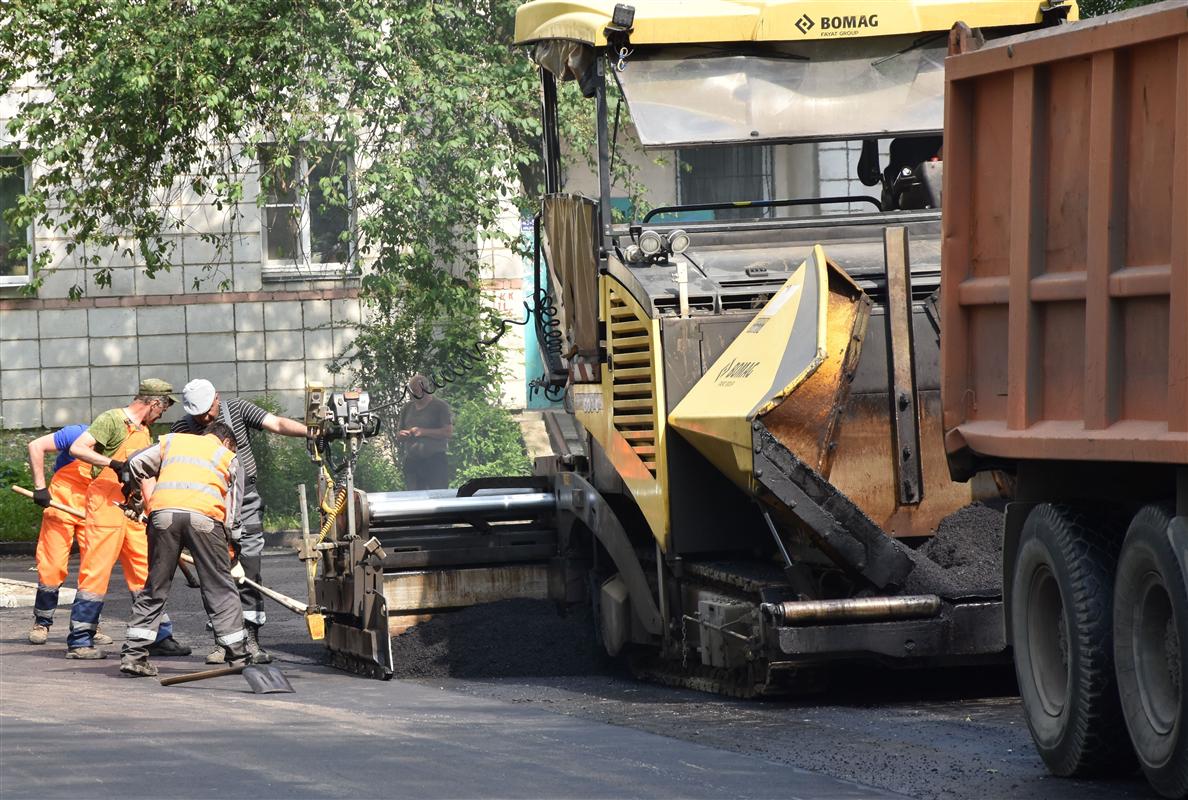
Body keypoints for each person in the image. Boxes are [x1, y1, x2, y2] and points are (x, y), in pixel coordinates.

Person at [171, 378, 310, 663]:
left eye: (208, 412)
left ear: (217, 399)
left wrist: (313, 433)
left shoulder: (237, 410)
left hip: (245, 501)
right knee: (216, 573)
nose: (204, 419)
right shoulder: (182, 428)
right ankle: (223, 642)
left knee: (248, 568)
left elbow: (278, 424)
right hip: (208, 504)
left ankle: (251, 639)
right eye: (197, 414)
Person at [119, 422, 255, 677]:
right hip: (205, 519)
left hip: (162, 517)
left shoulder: (173, 441)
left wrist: (134, 497)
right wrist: (232, 545)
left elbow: (134, 464)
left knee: (155, 587)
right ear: (226, 442)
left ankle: (134, 655)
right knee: (219, 587)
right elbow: (233, 510)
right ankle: (238, 655)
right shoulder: (229, 456)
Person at [65, 379, 189, 660]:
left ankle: (158, 636)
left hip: (132, 510)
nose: (164, 413)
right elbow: (78, 448)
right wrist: (114, 463)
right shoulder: (112, 419)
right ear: (154, 402)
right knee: (96, 572)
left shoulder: (144, 431)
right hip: (106, 505)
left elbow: (145, 477)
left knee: (145, 573)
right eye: (165, 407)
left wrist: (153, 508)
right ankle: (80, 639)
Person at [25, 424, 113, 645]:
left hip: (95, 505)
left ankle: (89, 626)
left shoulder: (121, 444)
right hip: (61, 501)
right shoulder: (77, 433)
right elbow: (36, 445)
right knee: (52, 565)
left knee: (95, 568)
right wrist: (40, 488)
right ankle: (42, 622)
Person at [397, 374, 453, 491]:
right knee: (414, 496)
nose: (413, 394)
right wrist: (402, 435)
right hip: (413, 461)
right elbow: (399, 433)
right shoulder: (407, 408)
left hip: (435, 461)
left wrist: (423, 432)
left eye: (416, 391)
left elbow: (448, 432)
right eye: (411, 392)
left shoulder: (440, 406)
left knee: (438, 494)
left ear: (425, 388)